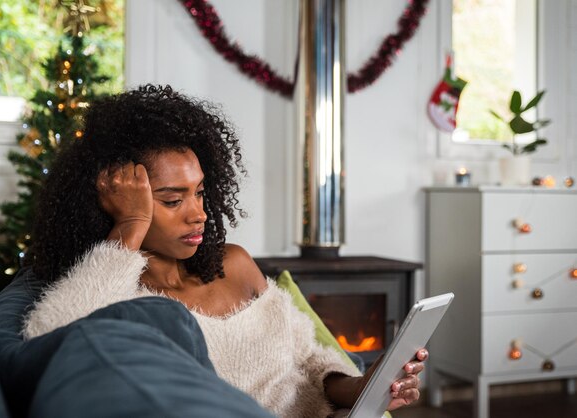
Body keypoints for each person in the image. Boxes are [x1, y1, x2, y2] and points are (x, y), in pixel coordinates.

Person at [22, 84, 426, 418]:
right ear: (117, 203)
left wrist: (365, 386)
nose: (198, 214)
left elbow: (310, 363)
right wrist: (128, 228)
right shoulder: (123, 298)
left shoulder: (234, 264)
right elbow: (47, 338)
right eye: (171, 200)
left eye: (198, 193)